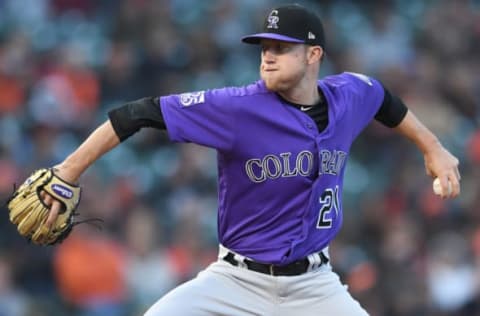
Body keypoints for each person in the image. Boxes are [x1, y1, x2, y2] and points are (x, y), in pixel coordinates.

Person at [41, 4, 460, 316]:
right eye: (263, 47)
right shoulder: (237, 108)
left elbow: (385, 101)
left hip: (315, 286)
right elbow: (137, 113)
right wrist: (67, 172)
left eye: (281, 47)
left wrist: (433, 148)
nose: (267, 56)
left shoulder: (349, 95)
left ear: (313, 55)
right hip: (236, 282)